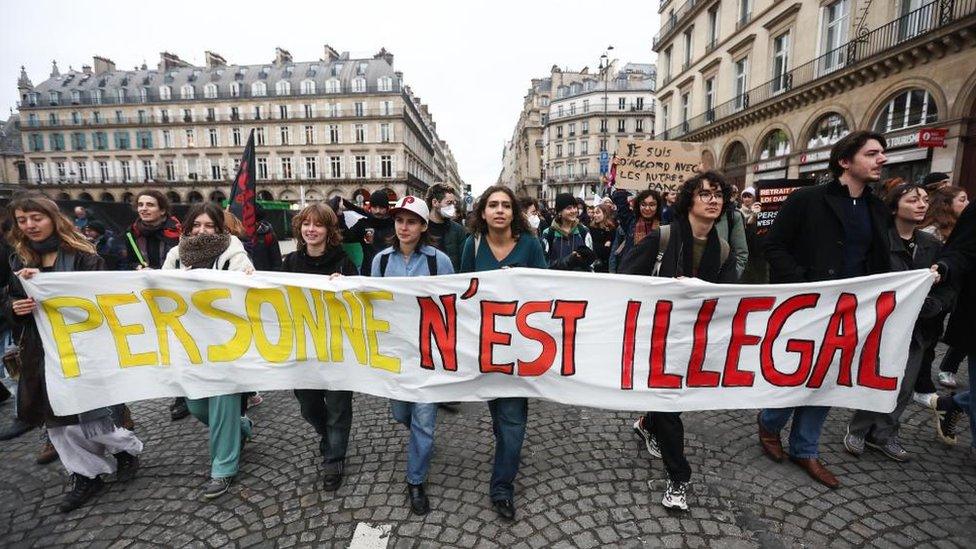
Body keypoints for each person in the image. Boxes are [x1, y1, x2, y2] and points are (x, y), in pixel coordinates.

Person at [758, 130, 893, 489]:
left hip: (854, 310)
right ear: (845, 161)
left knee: (829, 379)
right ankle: (770, 423)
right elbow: (774, 247)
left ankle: (805, 448)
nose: (882, 159)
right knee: (798, 373)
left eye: (883, 153)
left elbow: (882, 258)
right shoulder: (807, 199)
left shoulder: (877, 208)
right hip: (808, 306)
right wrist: (804, 282)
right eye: (872, 153)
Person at [4, 194, 142, 512]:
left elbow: (101, 300)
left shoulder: (83, 257)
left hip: (83, 349)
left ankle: (126, 450)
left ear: (53, 217)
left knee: (96, 415)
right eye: (22, 220)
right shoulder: (19, 261)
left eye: (35, 218)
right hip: (41, 352)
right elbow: (6, 299)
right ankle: (85, 473)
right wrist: (15, 305)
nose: (29, 225)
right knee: (58, 421)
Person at [624, 172, 736, 512]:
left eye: (718, 195)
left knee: (671, 401)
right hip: (656, 335)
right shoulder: (662, 238)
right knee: (670, 402)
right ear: (690, 200)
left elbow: (729, 299)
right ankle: (678, 477)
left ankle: (646, 423)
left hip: (692, 339)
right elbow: (624, 279)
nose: (713, 200)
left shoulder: (724, 249)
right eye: (705, 194)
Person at [459, 185, 546, 521]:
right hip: (484, 346)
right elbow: (462, 290)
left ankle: (502, 488)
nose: (499, 210)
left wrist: (521, 283)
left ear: (514, 213)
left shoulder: (531, 245)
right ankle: (506, 451)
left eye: (505, 206)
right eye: (492, 205)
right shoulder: (473, 245)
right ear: (482, 212)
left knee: (512, 420)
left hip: (520, 348)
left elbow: (547, 289)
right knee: (498, 414)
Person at [162, 202, 254, 499]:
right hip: (190, 344)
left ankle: (223, 469)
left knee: (223, 401)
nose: (202, 231)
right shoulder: (176, 256)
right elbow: (161, 292)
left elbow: (242, 295)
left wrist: (248, 280)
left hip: (226, 342)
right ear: (187, 228)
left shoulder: (233, 253)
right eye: (196, 225)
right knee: (197, 407)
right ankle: (241, 428)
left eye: (209, 226)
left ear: (220, 228)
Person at [844, 183, 941, 462]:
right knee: (875, 377)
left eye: (924, 199)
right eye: (913, 200)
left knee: (906, 383)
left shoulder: (931, 245)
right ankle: (859, 428)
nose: (922, 204)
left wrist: (935, 305)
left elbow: (946, 285)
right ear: (895, 206)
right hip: (881, 323)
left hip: (918, 327)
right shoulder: (879, 242)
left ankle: (885, 433)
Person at [372, 196, 454, 515]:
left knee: (423, 418)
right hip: (396, 354)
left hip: (428, 353)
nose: (404, 227)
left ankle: (415, 480)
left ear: (423, 226)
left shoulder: (438, 261)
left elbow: (452, 303)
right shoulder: (380, 261)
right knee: (400, 413)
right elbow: (370, 301)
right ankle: (422, 439)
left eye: (411, 221)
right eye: (399, 221)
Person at [282, 203, 359, 492]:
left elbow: (360, 303)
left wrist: (347, 287)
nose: (311, 229)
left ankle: (334, 458)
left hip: (338, 348)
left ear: (329, 230)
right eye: (306, 224)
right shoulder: (289, 263)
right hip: (303, 348)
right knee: (308, 405)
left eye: (318, 224)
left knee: (339, 406)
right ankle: (327, 435)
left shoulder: (343, 262)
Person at [124, 191, 186, 420]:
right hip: (149, 296)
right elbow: (127, 260)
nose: (144, 208)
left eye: (150, 204)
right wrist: (136, 269)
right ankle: (178, 392)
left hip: (175, 295)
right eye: (140, 204)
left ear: (162, 209)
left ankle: (185, 395)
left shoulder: (178, 233)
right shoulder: (131, 234)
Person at [609, 189, 662, 273]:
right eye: (643, 204)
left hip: (653, 275)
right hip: (630, 273)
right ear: (638, 205)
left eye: (652, 205)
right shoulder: (630, 222)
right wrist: (625, 185)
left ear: (658, 206)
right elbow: (618, 197)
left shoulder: (664, 226)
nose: (647, 208)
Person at [541, 193, 595, 271]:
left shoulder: (583, 231)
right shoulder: (548, 233)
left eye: (575, 207)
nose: (573, 211)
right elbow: (545, 263)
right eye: (569, 208)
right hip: (556, 280)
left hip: (579, 281)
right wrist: (567, 262)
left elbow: (591, 264)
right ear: (559, 212)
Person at [425, 183, 466, 271]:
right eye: (449, 203)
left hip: (451, 281)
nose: (453, 207)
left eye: (454, 204)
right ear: (435, 202)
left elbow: (463, 263)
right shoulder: (421, 228)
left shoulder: (458, 230)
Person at [361, 189, 396, 275]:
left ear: (387, 208)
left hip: (390, 273)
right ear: (370, 207)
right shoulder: (363, 224)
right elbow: (345, 237)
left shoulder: (395, 225)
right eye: (375, 207)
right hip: (368, 274)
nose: (378, 211)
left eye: (381, 207)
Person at [588, 203, 616, 273]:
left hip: (607, 268)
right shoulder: (591, 229)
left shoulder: (612, 230)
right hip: (594, 267)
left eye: (597, 213)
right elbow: (592, 248)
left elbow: (609, 251)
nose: (594, 215)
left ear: (605, 213)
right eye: (594, 213)